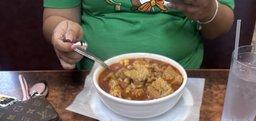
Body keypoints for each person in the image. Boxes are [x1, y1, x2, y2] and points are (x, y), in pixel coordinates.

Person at [43, 0, 234, 70]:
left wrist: (208, 10)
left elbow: (219, 27)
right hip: (95, 77)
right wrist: (63, 31)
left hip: (182, 80)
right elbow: (57, 17)